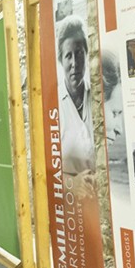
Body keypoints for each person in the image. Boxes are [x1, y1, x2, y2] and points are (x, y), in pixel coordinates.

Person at [56, 15, 95, 176]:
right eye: (68, 56)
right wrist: (73, 183)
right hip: (69, 191)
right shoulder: (54, 105)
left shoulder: (97, 95)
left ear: (86, 54)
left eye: (79, 53)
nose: (75, 63)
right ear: (61, 60)